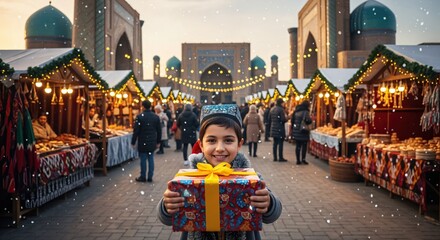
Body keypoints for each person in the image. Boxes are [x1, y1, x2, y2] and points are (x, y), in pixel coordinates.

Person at [157, 104, 282, 239]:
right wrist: (167, 205)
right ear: (201, 145)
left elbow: (273, 214)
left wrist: (268, 203)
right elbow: (167, 218)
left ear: (239, 144)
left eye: (228, 140)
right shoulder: (189, 178)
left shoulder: (250, 179)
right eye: (211, 140)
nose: (220, 148)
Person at [131, 100, 161, 182]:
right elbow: (159, 130)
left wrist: (133, 141)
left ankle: (143, 176)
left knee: (143, 159)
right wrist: (158, 141)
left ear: (143, 106)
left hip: (142, 140)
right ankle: (150, 176)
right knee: (151, 158)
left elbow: (136, 130)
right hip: (152, 141)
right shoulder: (155, 117)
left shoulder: (140, 117)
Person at [291, 100, 312, 165]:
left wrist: (294, 128)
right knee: (304, 146)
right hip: (303, 131)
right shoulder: (306, 112)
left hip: (296, 131)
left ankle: (298, 160)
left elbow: (292, 121)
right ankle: (303, 159)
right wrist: (310, 120)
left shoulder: (296, 111)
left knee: (298, 146)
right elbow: (308, 120)